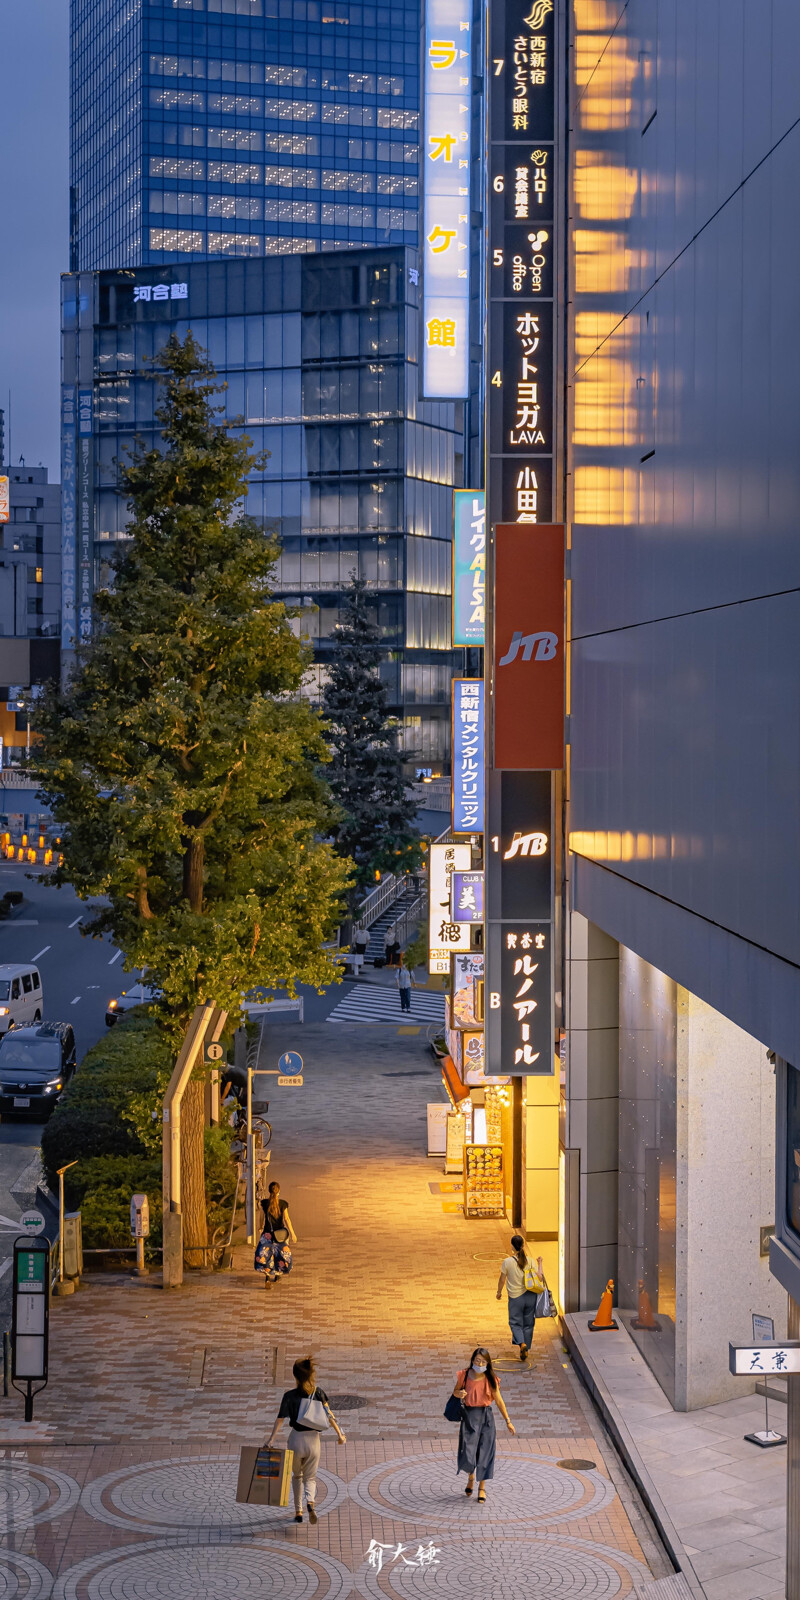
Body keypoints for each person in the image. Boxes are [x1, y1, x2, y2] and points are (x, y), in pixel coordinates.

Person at [267, 1355, 346, 1523]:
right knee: (310, 1477)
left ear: (295, 1376)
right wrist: (340, 1434)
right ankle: (310, 1501)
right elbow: (329, 1415)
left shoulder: (289, 1396)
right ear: (312, 1374)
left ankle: (299, 1512)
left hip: (296, 1439)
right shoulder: (319, 1393)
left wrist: (271, 1440)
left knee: (297, 1476)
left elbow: (280, 1419)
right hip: (313, 1441)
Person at [452, 1347, 514, 1503]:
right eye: (477, 1360)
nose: (480, 1363)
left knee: (485, 1453)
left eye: (483, 1361)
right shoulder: (464, 1375)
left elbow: (499, 1400)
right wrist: (460, 1394)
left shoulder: (491, 1379)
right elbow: (455, 1392)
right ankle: (471, 1477)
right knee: (468, 1452)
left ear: (488, 1363)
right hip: (469, 1417)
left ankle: (482, 1488)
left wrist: (508, 1421)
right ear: (472, 1360)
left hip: (486, 1417)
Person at [497, 1234, 543, 1361]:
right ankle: (526, 1348)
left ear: (512, 1247)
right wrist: (540, 1263)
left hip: (515, 1298)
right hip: (530, 1296)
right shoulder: (531, 1261)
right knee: (528, 1324)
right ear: (523, 1246)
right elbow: (540, 1277)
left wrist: (499, 1292)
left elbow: (502, 1279)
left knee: (515, 1322)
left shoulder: (507, 1262)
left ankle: (521, 1343)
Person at [257, 1181, 297, 1287]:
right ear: (278, 1192)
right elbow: (287, 1219)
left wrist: (260, 1227)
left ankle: (267, 1278)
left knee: (266, 1255)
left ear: (269, 1191)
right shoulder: (283, 1204)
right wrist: (292, 1233)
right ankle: (277, 1274)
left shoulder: (264, 1203)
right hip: (280, 1235)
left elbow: (261, 1217)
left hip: (267, 1234)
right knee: (279, 1255)